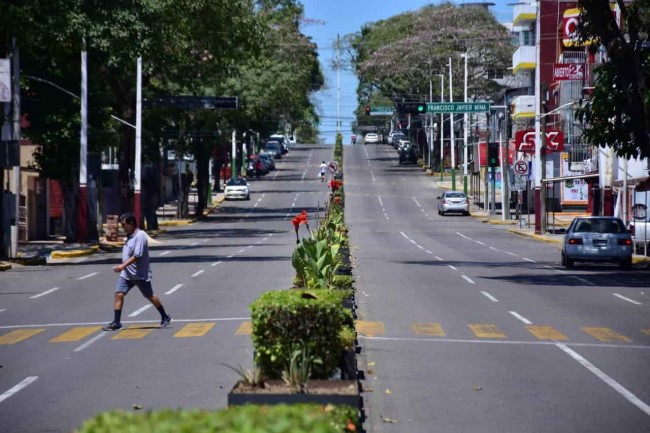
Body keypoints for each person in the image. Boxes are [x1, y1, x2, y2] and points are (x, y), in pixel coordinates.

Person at [103, 212, 171, 331]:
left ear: (132, 223)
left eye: (124, 225)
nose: (123, 228)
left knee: (149, 296)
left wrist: (122, 266)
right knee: (119, 294)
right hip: (127, 275)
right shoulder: (129, 236)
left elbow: (137, 255)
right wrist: (124, 268)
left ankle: (165, 316)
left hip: (139, 274)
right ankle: (116, 322)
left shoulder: (140, 236)